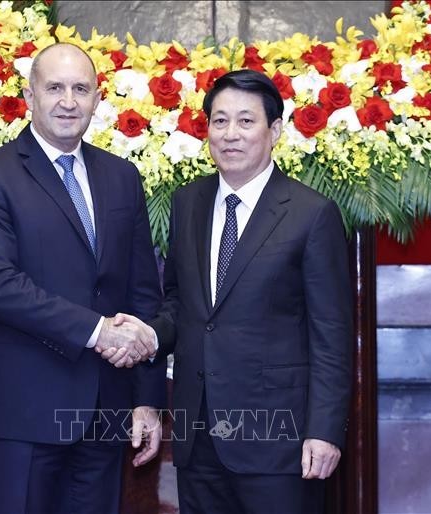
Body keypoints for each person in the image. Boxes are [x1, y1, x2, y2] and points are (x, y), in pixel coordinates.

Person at [112, 69, 353, 513]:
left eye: (246, 121)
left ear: (274, 130)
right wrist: (148, 336)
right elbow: (180, 304)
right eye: (219, 121)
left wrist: (325, 430)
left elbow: (332, 335)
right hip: (198, 434)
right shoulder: (189, 203)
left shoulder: (311, 214)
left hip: (279, 440)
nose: (230, 134)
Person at [0, 43, 165, 514]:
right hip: (25, 409)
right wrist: (98, 332)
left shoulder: (121, 177)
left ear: (96, 99)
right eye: (54, 88)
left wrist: (148, 400)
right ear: (29, 97)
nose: (68, 101)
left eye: (80, 89)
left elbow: (142, 291)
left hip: (106, 409)